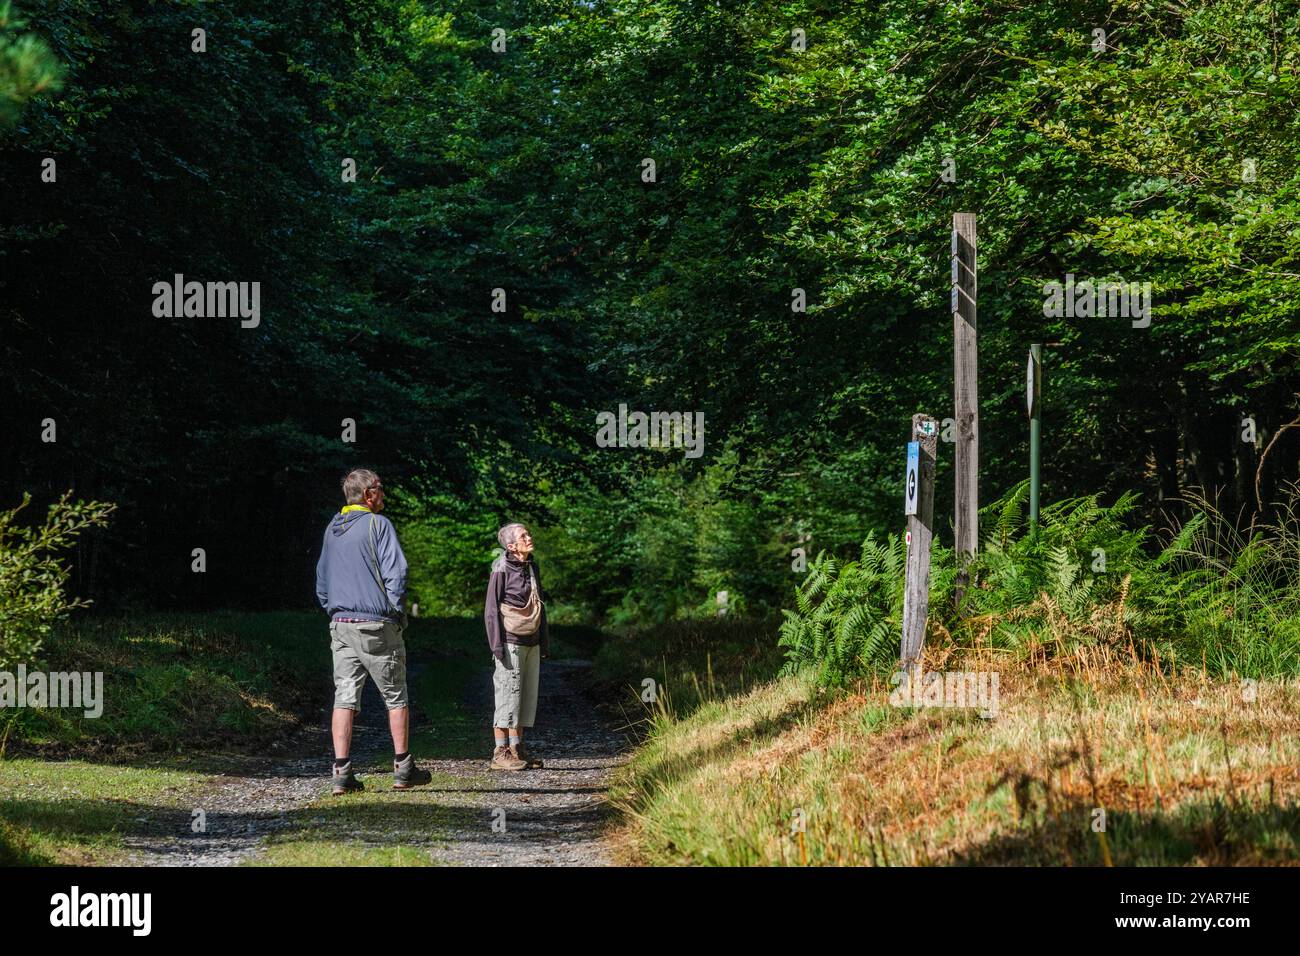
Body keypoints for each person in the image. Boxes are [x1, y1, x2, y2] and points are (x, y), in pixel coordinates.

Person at [315, 468, 432, 794]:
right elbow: (397, 572)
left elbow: (322, 581)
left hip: (341, 623)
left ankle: (341, 772)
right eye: (380, 489)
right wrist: (395, 611)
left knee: (344, 697)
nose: (384, 495)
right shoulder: (378, 525)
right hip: (377, 623)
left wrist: (334, 609)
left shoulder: (331, 529)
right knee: (395, 696)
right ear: (368, 494)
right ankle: (403, 767)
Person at [484, 522, 548, 771]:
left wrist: (544, 640)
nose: (529, 537)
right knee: (507, 697)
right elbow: (491, 609)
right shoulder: (501, 569)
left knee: (525, 697)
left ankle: (517, 749)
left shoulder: (532, 567)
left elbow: (540, 604)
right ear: (511, 546)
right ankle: (500, 753)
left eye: (528, 533)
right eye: (524, 535)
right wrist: (496, 646)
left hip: (532, 640)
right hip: (509, 641)